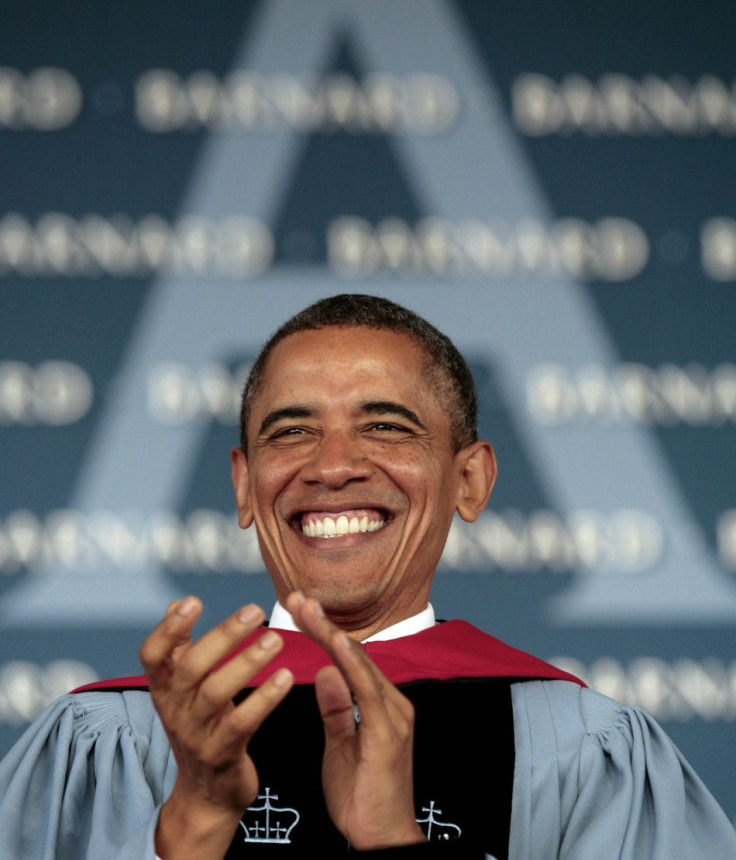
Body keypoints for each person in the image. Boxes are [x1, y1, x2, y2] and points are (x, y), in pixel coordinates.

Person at [0, 293, 734, 860]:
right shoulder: (113, 738)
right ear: (245, 486)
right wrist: (194, 821)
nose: (332, 465)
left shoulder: (581, 748)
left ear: (470, 481)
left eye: (385, 425)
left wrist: (394, 844)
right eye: (291, 432)